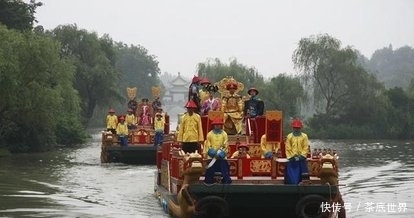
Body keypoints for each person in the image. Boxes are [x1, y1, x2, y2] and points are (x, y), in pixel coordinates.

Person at [203, 118, 232, 184]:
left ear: (221, 125)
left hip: (221, 155)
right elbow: (208, 146)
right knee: (210, 166)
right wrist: (213, 153)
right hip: (212, 156)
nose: (217, 126)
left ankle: (226, 180)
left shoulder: (224, 134)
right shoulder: (209, 134)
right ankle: (209, 180)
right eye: (216, 125)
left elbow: (226, 145)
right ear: (213, 125)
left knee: (224, 165)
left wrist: (220, 154)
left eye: (219, 125)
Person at [284, 118, 310, 184]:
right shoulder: (289, 136)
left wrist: (301, 156)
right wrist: (293, 156)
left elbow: (305, 147)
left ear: (300, 128)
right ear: (292, 128)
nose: (296, 129)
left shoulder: (304, 136)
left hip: (301, 158)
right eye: (295, 128)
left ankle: (304, 183)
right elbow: (288, 148)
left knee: (303, 175)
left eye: (298, 128)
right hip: (292, 159)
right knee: (292, 177)